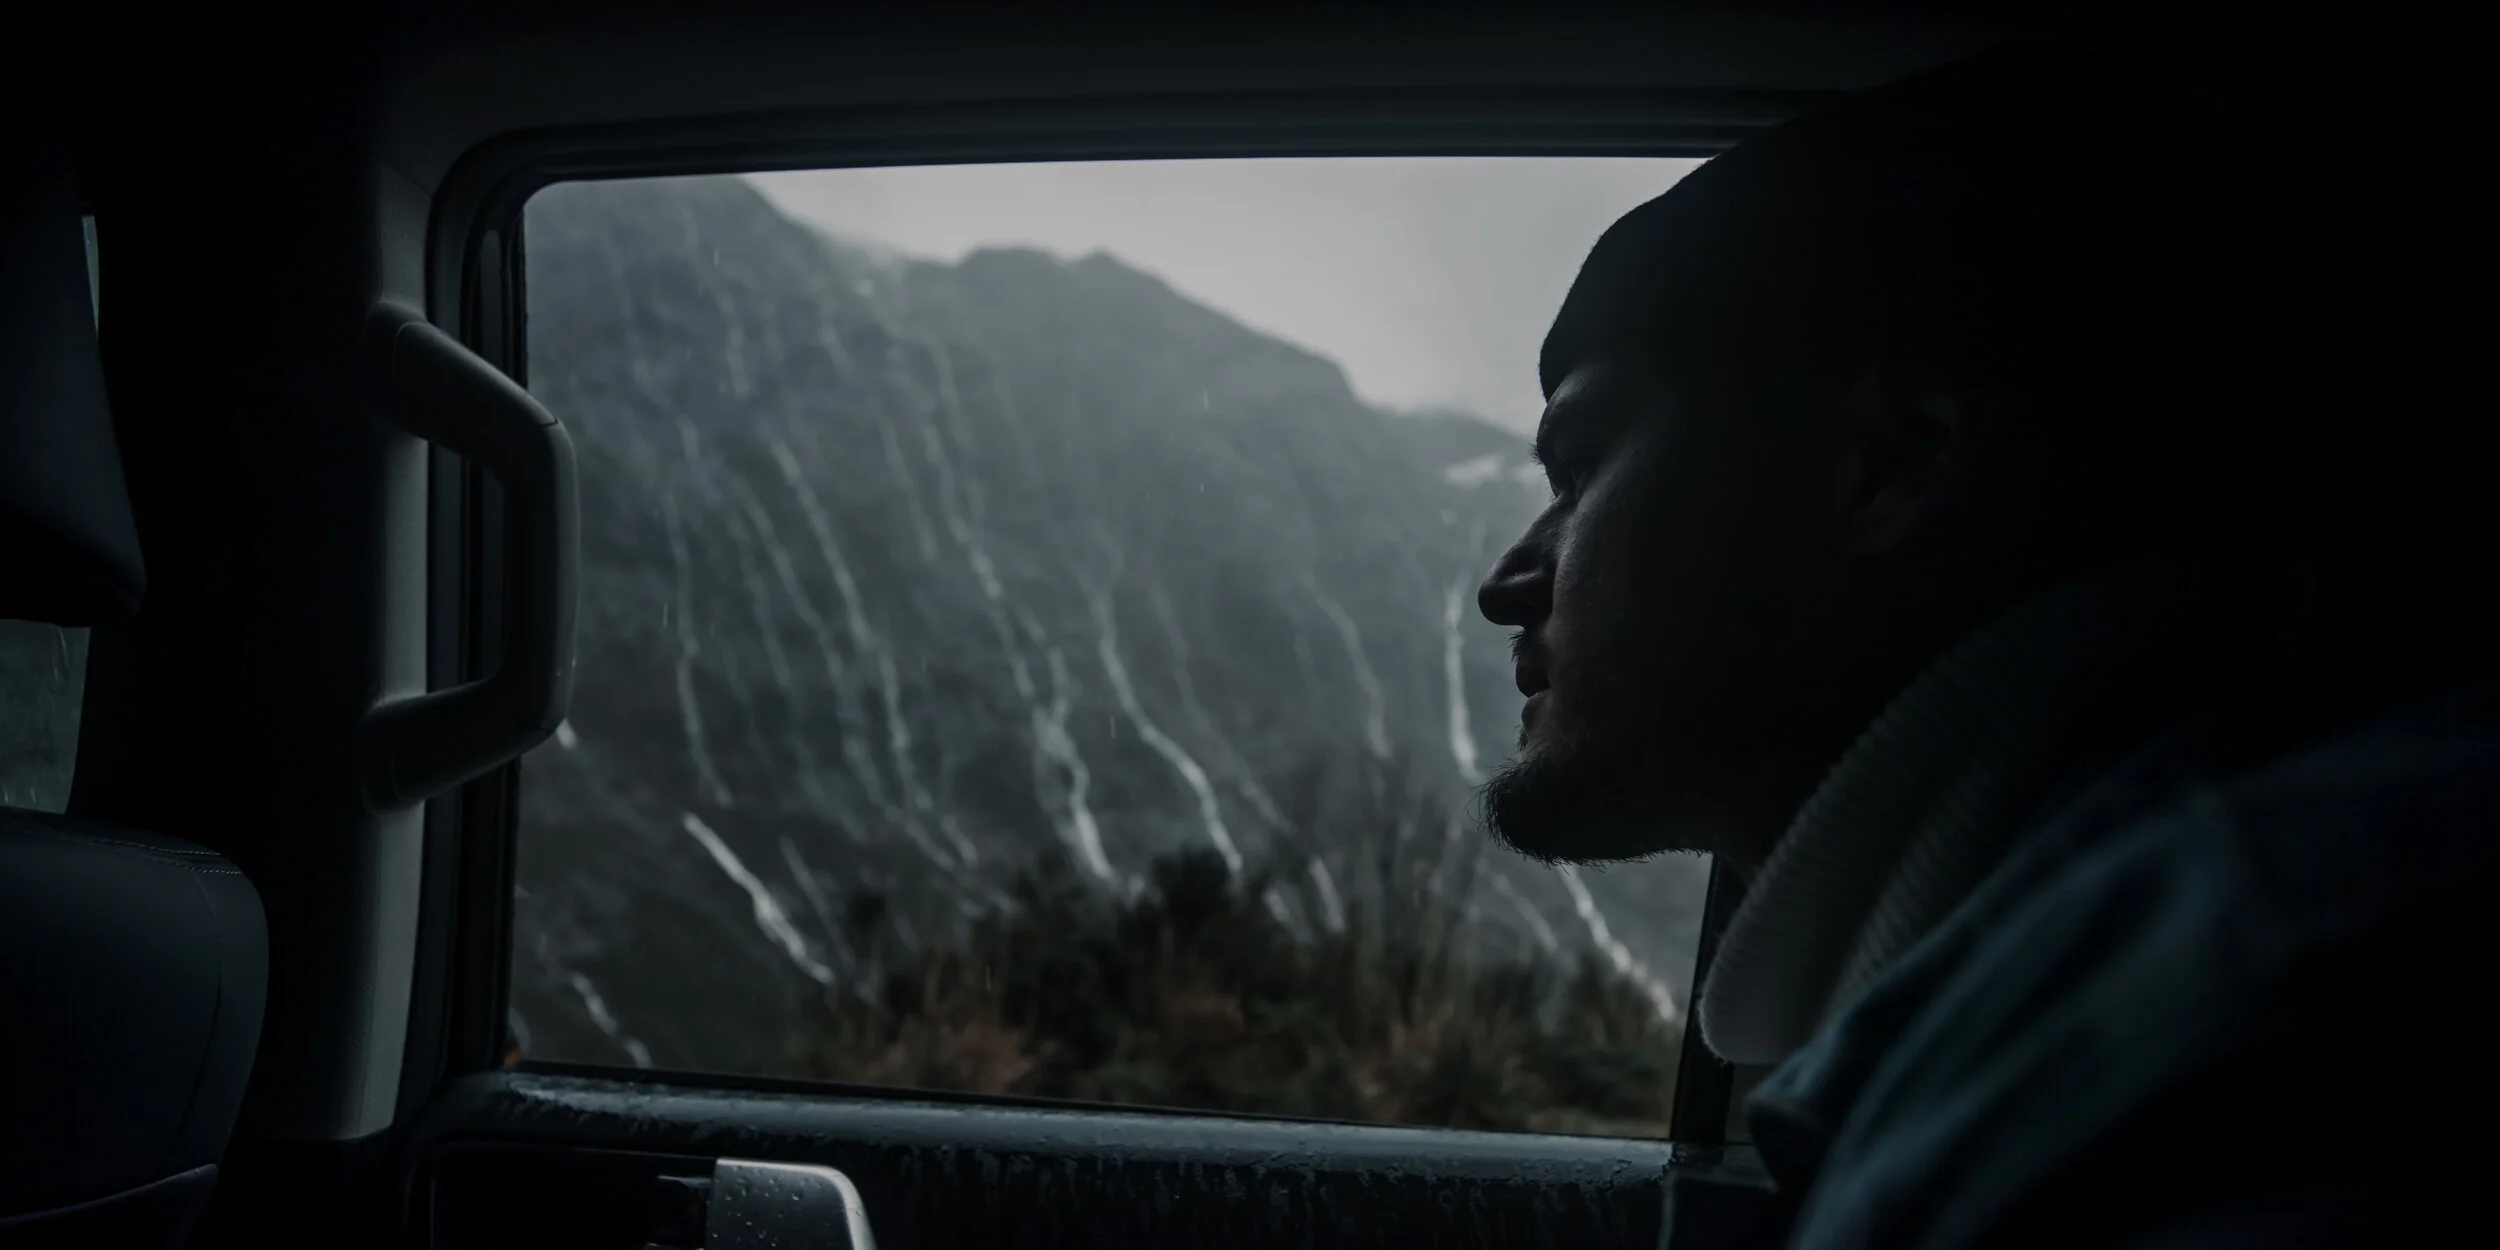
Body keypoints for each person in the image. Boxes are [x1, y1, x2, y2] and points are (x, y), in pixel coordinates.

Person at [1475, 45, 2493, 1249]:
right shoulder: (2128, 991)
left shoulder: (2237, 1029)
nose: (1506, 583)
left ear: (1887, 463)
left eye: (1580, 467)